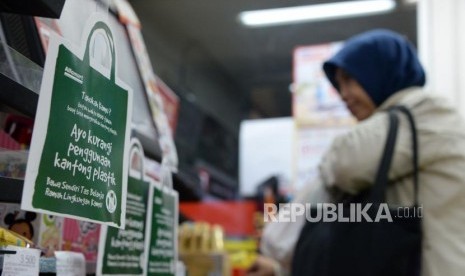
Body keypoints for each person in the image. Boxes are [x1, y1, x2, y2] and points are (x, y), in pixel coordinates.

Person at [247, 29, 465, 276]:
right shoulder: (391, 139)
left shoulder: (423, 113)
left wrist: (275, 244)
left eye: (350, 80)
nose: (344, 95)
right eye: (339, 85)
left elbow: (343, 163)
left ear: (380, 70)